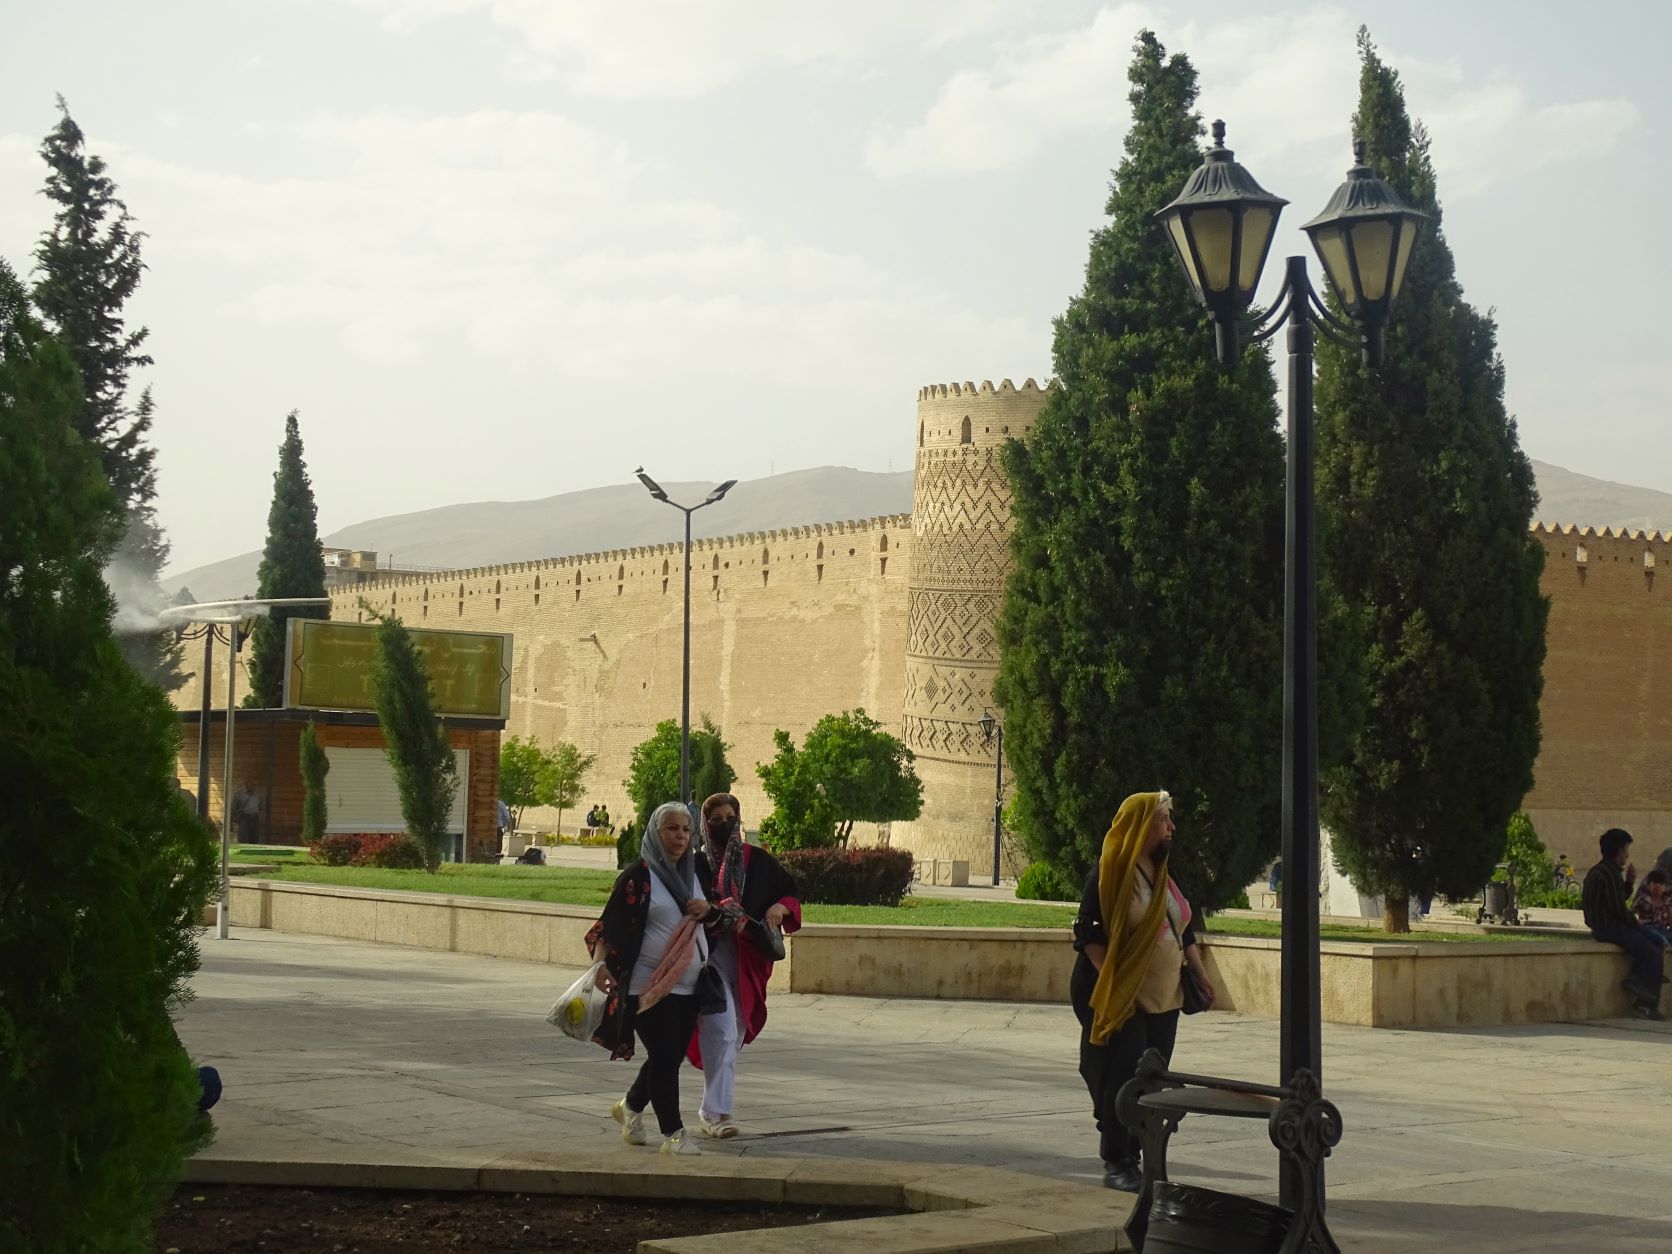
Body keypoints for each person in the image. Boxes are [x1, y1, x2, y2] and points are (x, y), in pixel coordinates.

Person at [1071, 790, 1215, 1193]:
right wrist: (1117, 983)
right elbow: (1088, 934)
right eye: (1164, 819)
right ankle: (1118, 1160)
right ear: (1140, 825)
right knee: (1123, 1076)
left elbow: (1184, 929)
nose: (1172, 827)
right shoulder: (1110, 872)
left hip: (1165, 997)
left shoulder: (1164, 875)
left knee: (1153, 1078)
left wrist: (1200, 975)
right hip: (1123, 996)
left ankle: (1142, 1156)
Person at [590, 802, 719, 1156]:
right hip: (647, 987)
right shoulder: (638, 876)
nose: (679, 836)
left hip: (690, 984)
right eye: (671, 829)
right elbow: (608, 926)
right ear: (655, 833)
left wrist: (708, 910)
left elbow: (718, 915)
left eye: (685, 830)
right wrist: (600, 966)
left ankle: (630, 1108)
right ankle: (674, 1134)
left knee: (669, 1056)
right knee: (664, 1058)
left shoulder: (696, 874)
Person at [686, 792, 801, 1138]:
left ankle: (712, 1109)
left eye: (729, 817)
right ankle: (716, 1113)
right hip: (707, 960)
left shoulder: (757, 860)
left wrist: (778, 910)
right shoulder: (696, 865)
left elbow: (789, 893)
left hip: (748, 961)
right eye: (716, 819)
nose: (724, 824)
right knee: (720, 1031)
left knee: (732, 1033)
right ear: (706, 825)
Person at [1582, 827, 1665, 1021]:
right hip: (1607, 928)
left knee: (1657, 942)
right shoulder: (1605, 873)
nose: (1627, 855)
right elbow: (1618, 909)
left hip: (1612, 925)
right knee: (1652, 948)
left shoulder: (1609, 872)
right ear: (1619, 852)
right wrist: (1637, 927)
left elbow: (1618, 898)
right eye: (1626, 850)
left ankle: (1641, 978)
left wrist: (1629, 882)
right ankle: (1645, 1004)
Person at [1633, 869, 1672, 948]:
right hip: (1648, 928)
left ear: (1665, 887)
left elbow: (1670, 916)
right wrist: (1637, 922)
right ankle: (1662, 941)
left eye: (1661, 884)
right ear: (1648, 886)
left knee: (1666, 935)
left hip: (1662, 929)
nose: (1657, 886)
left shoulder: (1667, 900)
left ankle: (1663, 940)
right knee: (1650, 934)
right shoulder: (1643, 899)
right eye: (1654, 883)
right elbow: (1632, 913)